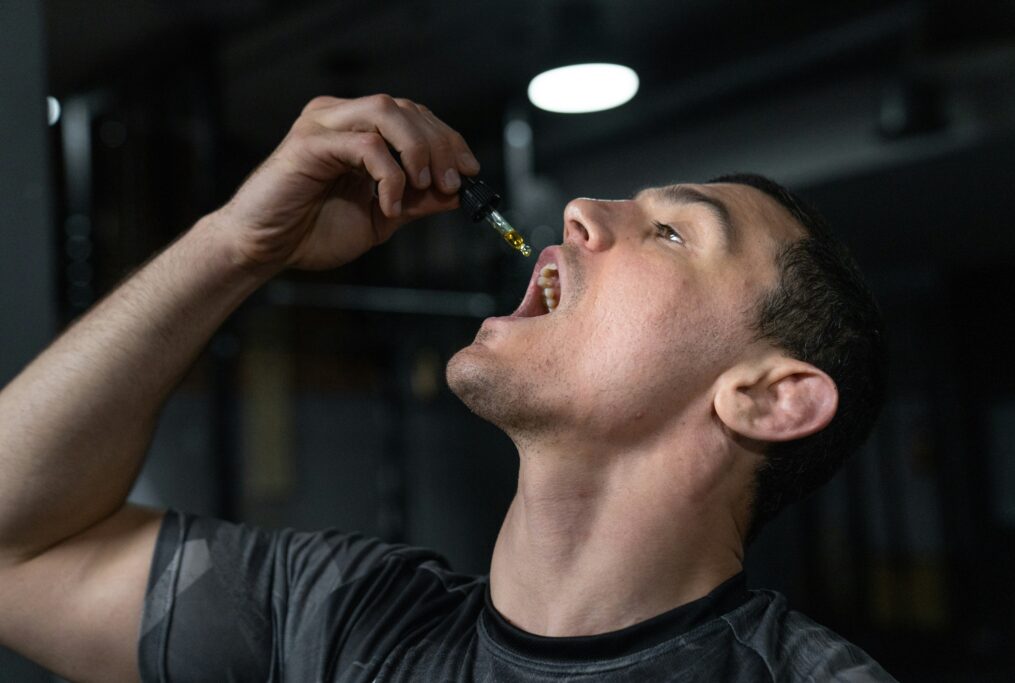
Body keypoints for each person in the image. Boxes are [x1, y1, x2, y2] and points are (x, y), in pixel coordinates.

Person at [0, 94, 893, 682]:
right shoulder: (338, 625)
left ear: (769, 397)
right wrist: (236, 243)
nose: (583, 210)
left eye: (670, 234)